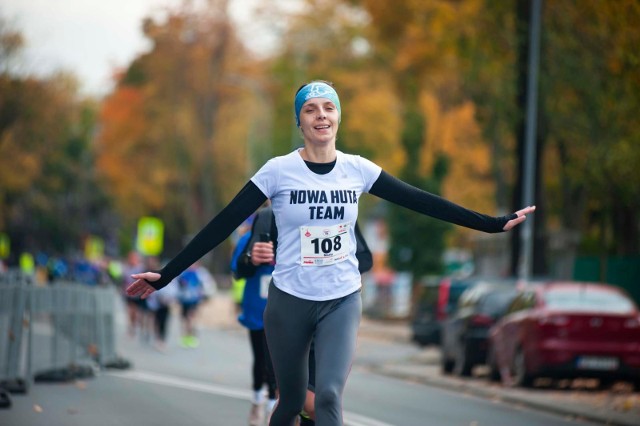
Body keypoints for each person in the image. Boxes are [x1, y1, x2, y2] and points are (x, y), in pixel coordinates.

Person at [126, 80, 535, 426]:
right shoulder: (277, 171)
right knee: (288, 403)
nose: (320, 115)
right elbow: (222, 223)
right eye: (310, 110)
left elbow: (423, 201)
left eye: (328, 108)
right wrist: (167, 273)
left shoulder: (357, 170)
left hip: (341, 299)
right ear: (299, 121)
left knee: (327, 399)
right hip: (288, 301)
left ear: (338, 118)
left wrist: (492, 223)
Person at [231, 205, 278, 426]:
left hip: (284, 310)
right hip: (257, 308)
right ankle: (258, 401)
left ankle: (272, 405)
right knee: (262, 357)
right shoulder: (247, 239)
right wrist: (251, 259)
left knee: (278, 362)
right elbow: (237, 271)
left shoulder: (293, 235)